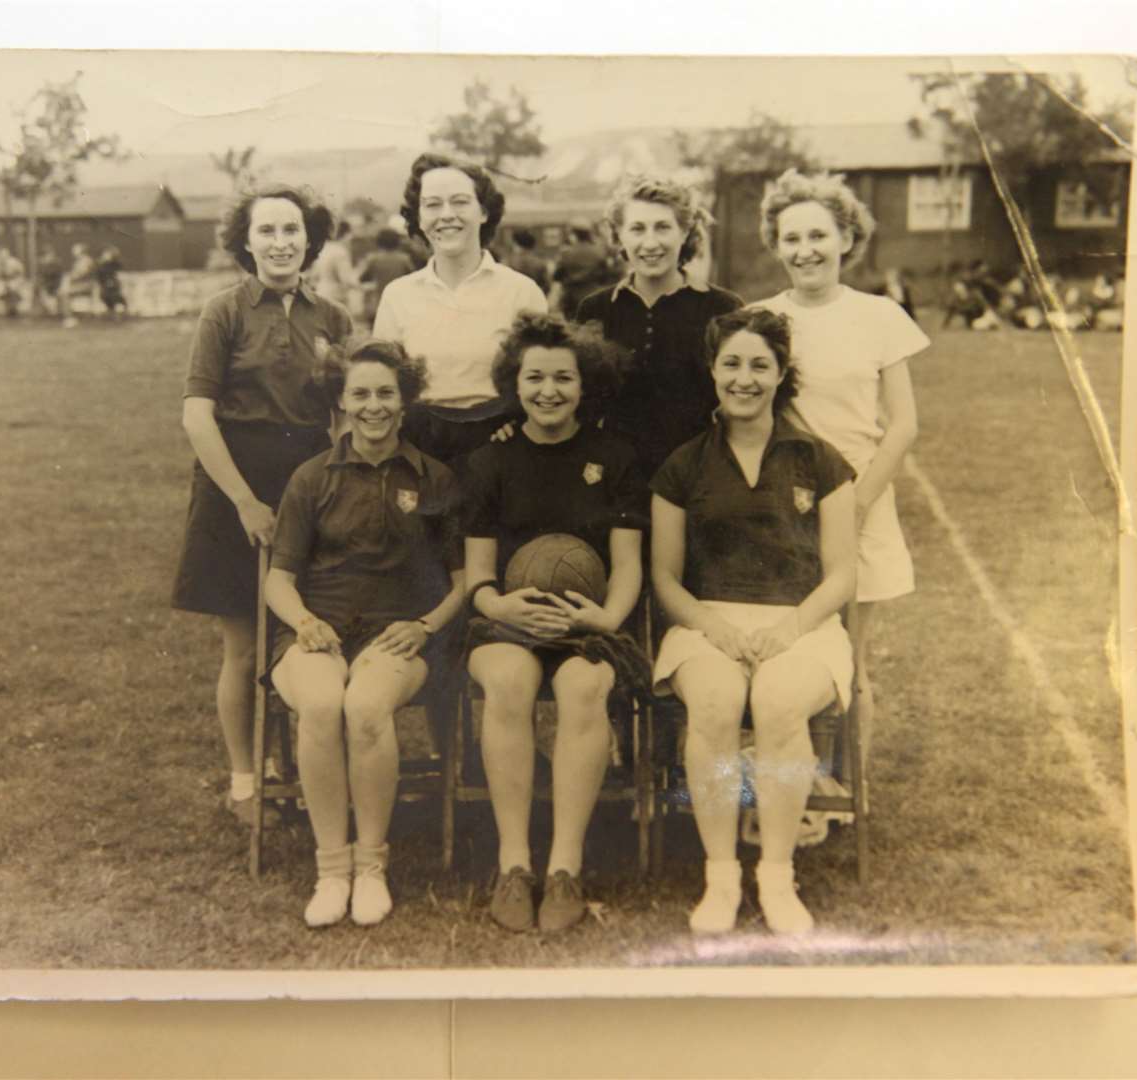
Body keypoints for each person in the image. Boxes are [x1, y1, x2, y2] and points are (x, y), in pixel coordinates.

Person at [649, 307, 858, 935]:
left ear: (781, 373)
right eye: (732, 363)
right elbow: (665, 577)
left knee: (775, 701)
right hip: (705, 622)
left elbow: (843, 574)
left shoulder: (822, 462)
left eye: (759, 365)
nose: (744, 378)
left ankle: (776, 873)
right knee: (713, 702)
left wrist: (789, 629)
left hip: (804, 623)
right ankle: (720, 877)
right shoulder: (682, 465)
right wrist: (715, 629)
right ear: (712, 370)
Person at [170, 183, 354, 830]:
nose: (281, 243)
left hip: (309, 483)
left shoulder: (332, 317)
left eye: (292, 231)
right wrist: (245, 502)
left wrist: (336, 491)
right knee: (244, 647)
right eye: (267, 231)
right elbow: (197, 417)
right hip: (233, 485)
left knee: (305, 635)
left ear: (310, 240)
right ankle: (246, 781)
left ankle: (304, 768)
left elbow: (343, 416)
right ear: (245, 243)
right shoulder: (224, 312)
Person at [265, 340, 464, 927]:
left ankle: (371, 864)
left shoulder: (433, 478)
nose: (373, 406)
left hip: (400, 636)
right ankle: (333, 869)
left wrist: (424, 626)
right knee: (324, 704)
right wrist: (303, 621)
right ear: (342, 402)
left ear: (404, 404)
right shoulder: (311, 478)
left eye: (385, 393)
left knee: (367, 705)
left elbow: (464, 582)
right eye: (360, 394)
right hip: (316, 631)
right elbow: (278, 581)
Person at [461, 313, 648, 933]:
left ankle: (565, 865)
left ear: (583, 383)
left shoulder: (614, 457)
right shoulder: (491, 462)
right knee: (510, 681)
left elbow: (626, 565)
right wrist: (499, 606)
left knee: (583, 686)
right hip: (506, 623)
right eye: (534, 377)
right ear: (514, 383)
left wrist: (608, 618)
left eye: (562, 378)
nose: (548, 390)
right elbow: (480, 575)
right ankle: (514, 863)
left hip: (588, 622)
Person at [751, 169, 929, 808]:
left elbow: (903, 423)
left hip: (862, 503)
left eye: (819, 235)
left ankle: (849, 792)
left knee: (853, 655)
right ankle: (784, 787)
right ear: (777, 245)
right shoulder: (761, 320)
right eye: (791, 237)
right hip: (780, 507)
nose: (806, 250)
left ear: (846, 237)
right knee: (781, 651)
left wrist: (852, 501)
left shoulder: (879, 315)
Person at [373, 153, 548, 468]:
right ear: (418, 217)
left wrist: (521, 425)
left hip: (501, 447)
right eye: (432, 205)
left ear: (483, 212)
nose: (446, 215)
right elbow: (384, 385)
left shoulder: (522, 292)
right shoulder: (397, 296)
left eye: (460, 202)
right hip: (419, 450)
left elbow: (543, 380)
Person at [576, 175, 744, 475]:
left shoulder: (723, 308)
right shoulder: (596, 309)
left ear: (685, 233)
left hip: (698, 475)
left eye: (663, 227)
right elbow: (583, 404)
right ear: (619, 236)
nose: (650, 243)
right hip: (617, 480)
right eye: (637, 229)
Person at [552, 219, 615, 320]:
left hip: (571, 297)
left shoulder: (566, 253)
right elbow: (606, 275)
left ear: (574, 234)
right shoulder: (599, 252)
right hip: (594, 293)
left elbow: (557, 276)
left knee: (573, 327)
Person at [355, 228, 414, 325]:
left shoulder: (374, 259)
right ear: (397, 242)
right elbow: (412, 277)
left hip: (380, 301)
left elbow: (362, 278)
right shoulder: (404, 259)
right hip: (400, 301)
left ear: (378, 242)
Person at [311, 220, 363, 319]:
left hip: (320, 293)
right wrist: (360, 283)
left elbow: (314, 275)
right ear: (346, 234)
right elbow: (346, 280)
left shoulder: (324, 248)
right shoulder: (341, 252)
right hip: (336, 298)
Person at [503, 228, 551, 295]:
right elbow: (546, 286)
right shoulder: (539, 263)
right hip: (534, 297)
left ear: (516, 244)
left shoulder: (509, 262)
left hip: (514, 298)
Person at [62, 243, 97, 328]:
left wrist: (70, 277)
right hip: (82, 284)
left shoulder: (86, 260)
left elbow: (81, 274)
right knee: (64, 291)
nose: (73, 252)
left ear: (81, 251)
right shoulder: (79, 261)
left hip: (87, 285)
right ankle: (70, 317)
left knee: (64, 294)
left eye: (75, 250)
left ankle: (69, 318)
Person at [96, 246, 128, 319]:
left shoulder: (114, 264)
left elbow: (118, 268)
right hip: (104, 283)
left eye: (108, 254)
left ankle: (121, 309)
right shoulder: (101, 264)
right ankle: (112, 310)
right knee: (104, 296)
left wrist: (111, 281)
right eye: (105, 254)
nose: (105, 256)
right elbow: (98, 273)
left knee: (113, 296)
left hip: (112, 283)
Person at [36, 247, 65, 316]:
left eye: (47, 255)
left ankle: (53, 310)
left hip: (55, 285)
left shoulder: (56, 263)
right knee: (38, 289)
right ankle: (47, 310)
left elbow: (53, 276)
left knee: (43, 291)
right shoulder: (43, 264)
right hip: (48, 286)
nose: (46, 257)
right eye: (44, 255)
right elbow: (41, 277)